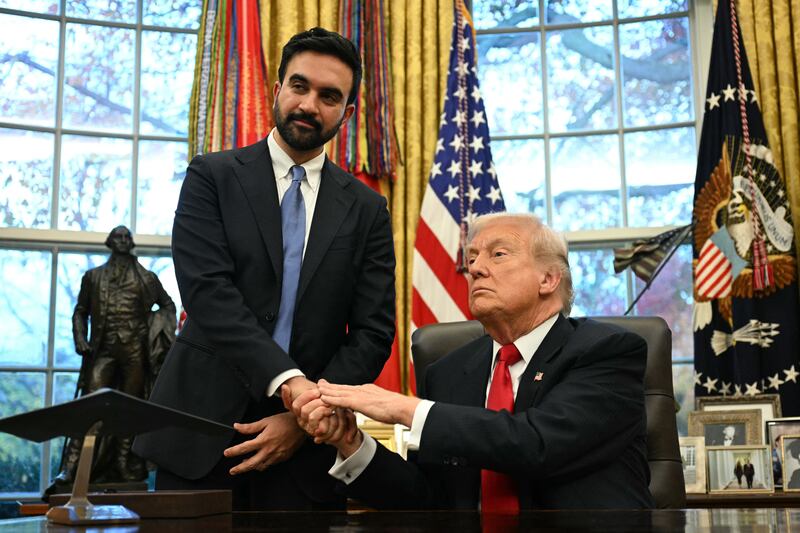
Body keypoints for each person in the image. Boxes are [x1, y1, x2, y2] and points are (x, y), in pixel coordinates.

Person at [132, 27, 396, 511]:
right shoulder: (211, 175)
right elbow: (208, 294)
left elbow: (374, 332)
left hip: (307, 451)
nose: (309, 105)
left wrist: (304, 416)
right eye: (300, 86)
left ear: (347, 113)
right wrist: (292, 383)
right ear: (277, 90)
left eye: (329, 96)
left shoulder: (367, 209)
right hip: (200, 432)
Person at [292, 213, 654, 510]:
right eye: (472, 257)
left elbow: (537, 444)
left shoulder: (608, 351)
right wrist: (354, 444)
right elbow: (427, 499)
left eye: (498, 255)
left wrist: (407, 409)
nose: (476, 268)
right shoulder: (448, 373)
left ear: (548, 278)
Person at [52, 225, 176, 489]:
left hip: (134, 351)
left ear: (131, 243)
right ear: (109, 242)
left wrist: (155, 331)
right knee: (89, 406)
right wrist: (80, 339)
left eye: (126, 237)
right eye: (117, 237)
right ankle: (71, 468)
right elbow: (80, 311)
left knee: (129, 409)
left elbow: (167, 305)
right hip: (104, 350)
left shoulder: (147, 278)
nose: (122, 240)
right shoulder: (93, 277)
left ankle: (123, 463)